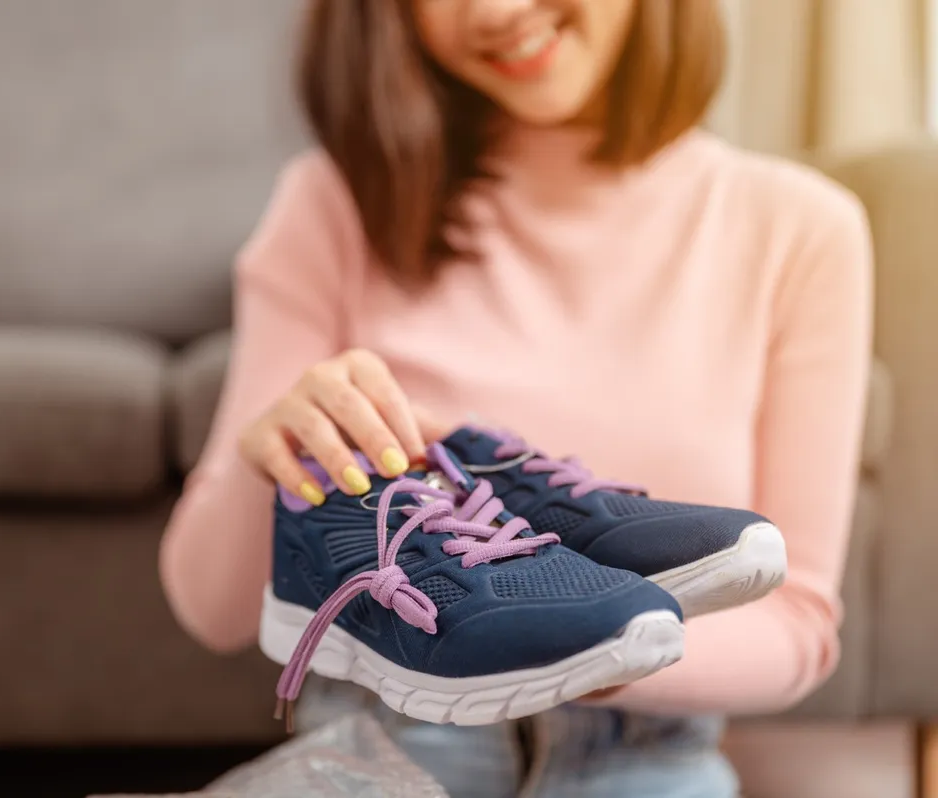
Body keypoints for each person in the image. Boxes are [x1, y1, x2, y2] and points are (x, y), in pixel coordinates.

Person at [159, 0, 872, 795]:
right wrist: (274, 463)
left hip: (644, 749)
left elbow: (797, 622)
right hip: (395, 734)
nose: (495, 11)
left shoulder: (802, 228)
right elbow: (212, 611)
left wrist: (591, 644)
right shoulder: (336, 201)